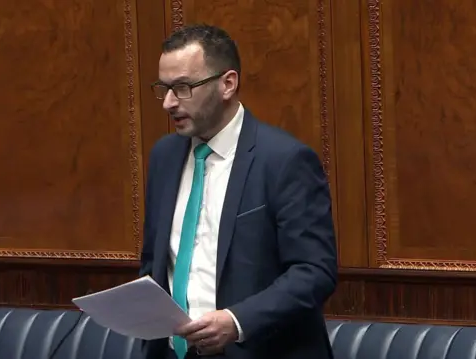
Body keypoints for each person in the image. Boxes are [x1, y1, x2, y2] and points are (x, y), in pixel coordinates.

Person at [139, 23, 338, 359]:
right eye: (165, 88)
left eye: (183, 87)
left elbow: (314, 271)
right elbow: (154, 262)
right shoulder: (164, 156)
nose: (169, 103)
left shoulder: (284, 161)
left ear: (227, 84)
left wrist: (237, 321)